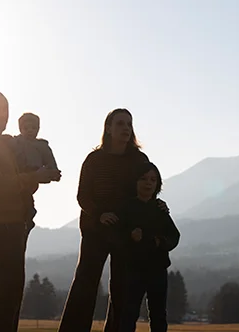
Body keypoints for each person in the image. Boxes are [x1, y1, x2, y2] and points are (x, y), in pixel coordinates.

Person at [58, 108, 169, 332]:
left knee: (122, 289)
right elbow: (83, 196)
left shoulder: (139, 160)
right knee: (85, 285)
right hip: (95, 230)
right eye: (120, 124)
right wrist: (99, 214)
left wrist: (157, 206)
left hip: (126, 232)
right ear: (108, 128)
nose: (126, 128)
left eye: (129, 124)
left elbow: (146, 188)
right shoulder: (94, 160)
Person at [0, 91, 61, 332]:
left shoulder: (6, 144)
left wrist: (39, 177)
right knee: (7, 292)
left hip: (14, 222)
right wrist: (33, 177)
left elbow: (17, 180)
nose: (3, 114)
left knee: (12, 292)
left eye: (6, 109)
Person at [114, 162, 180, 332]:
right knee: (129, 313)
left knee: (158, 314)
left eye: (153, 179)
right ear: (134, 182)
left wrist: (160, 242)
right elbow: (116, 236)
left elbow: (174, 235)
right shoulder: (126, 208)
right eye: (143, 179)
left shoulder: (159, 209)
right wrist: (130, 236)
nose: (148, 183)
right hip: (133, 269)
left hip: (157, 269)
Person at [7, 112, 60, 230]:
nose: (30, 130)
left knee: (27, 205)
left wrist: (53, 173)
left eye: (33, 128)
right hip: (19, 177)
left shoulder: (42, 146)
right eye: (26, 128)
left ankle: (26, 221)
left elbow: (51, 162)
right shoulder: (15, 142)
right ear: (20, 129)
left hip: (32, 179)